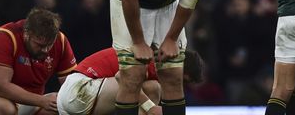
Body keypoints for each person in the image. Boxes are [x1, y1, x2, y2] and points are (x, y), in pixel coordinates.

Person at [0, 8, 77, 115]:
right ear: (26, 33)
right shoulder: (4, 37)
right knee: (4, 108)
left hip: (31, 103)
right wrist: (41, 101)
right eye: (40, 45)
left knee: (63, 106)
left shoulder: (60, 41)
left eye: (49, 45)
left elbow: (72, 85)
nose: (45, 50)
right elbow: (0, 88)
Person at [56, 48, 204, 115]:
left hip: (72, 98)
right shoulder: (151, 60)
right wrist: (151, 107)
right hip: (78, 91)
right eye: (182, 81)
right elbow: (121, 77)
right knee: (152, 89)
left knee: (149, 88)